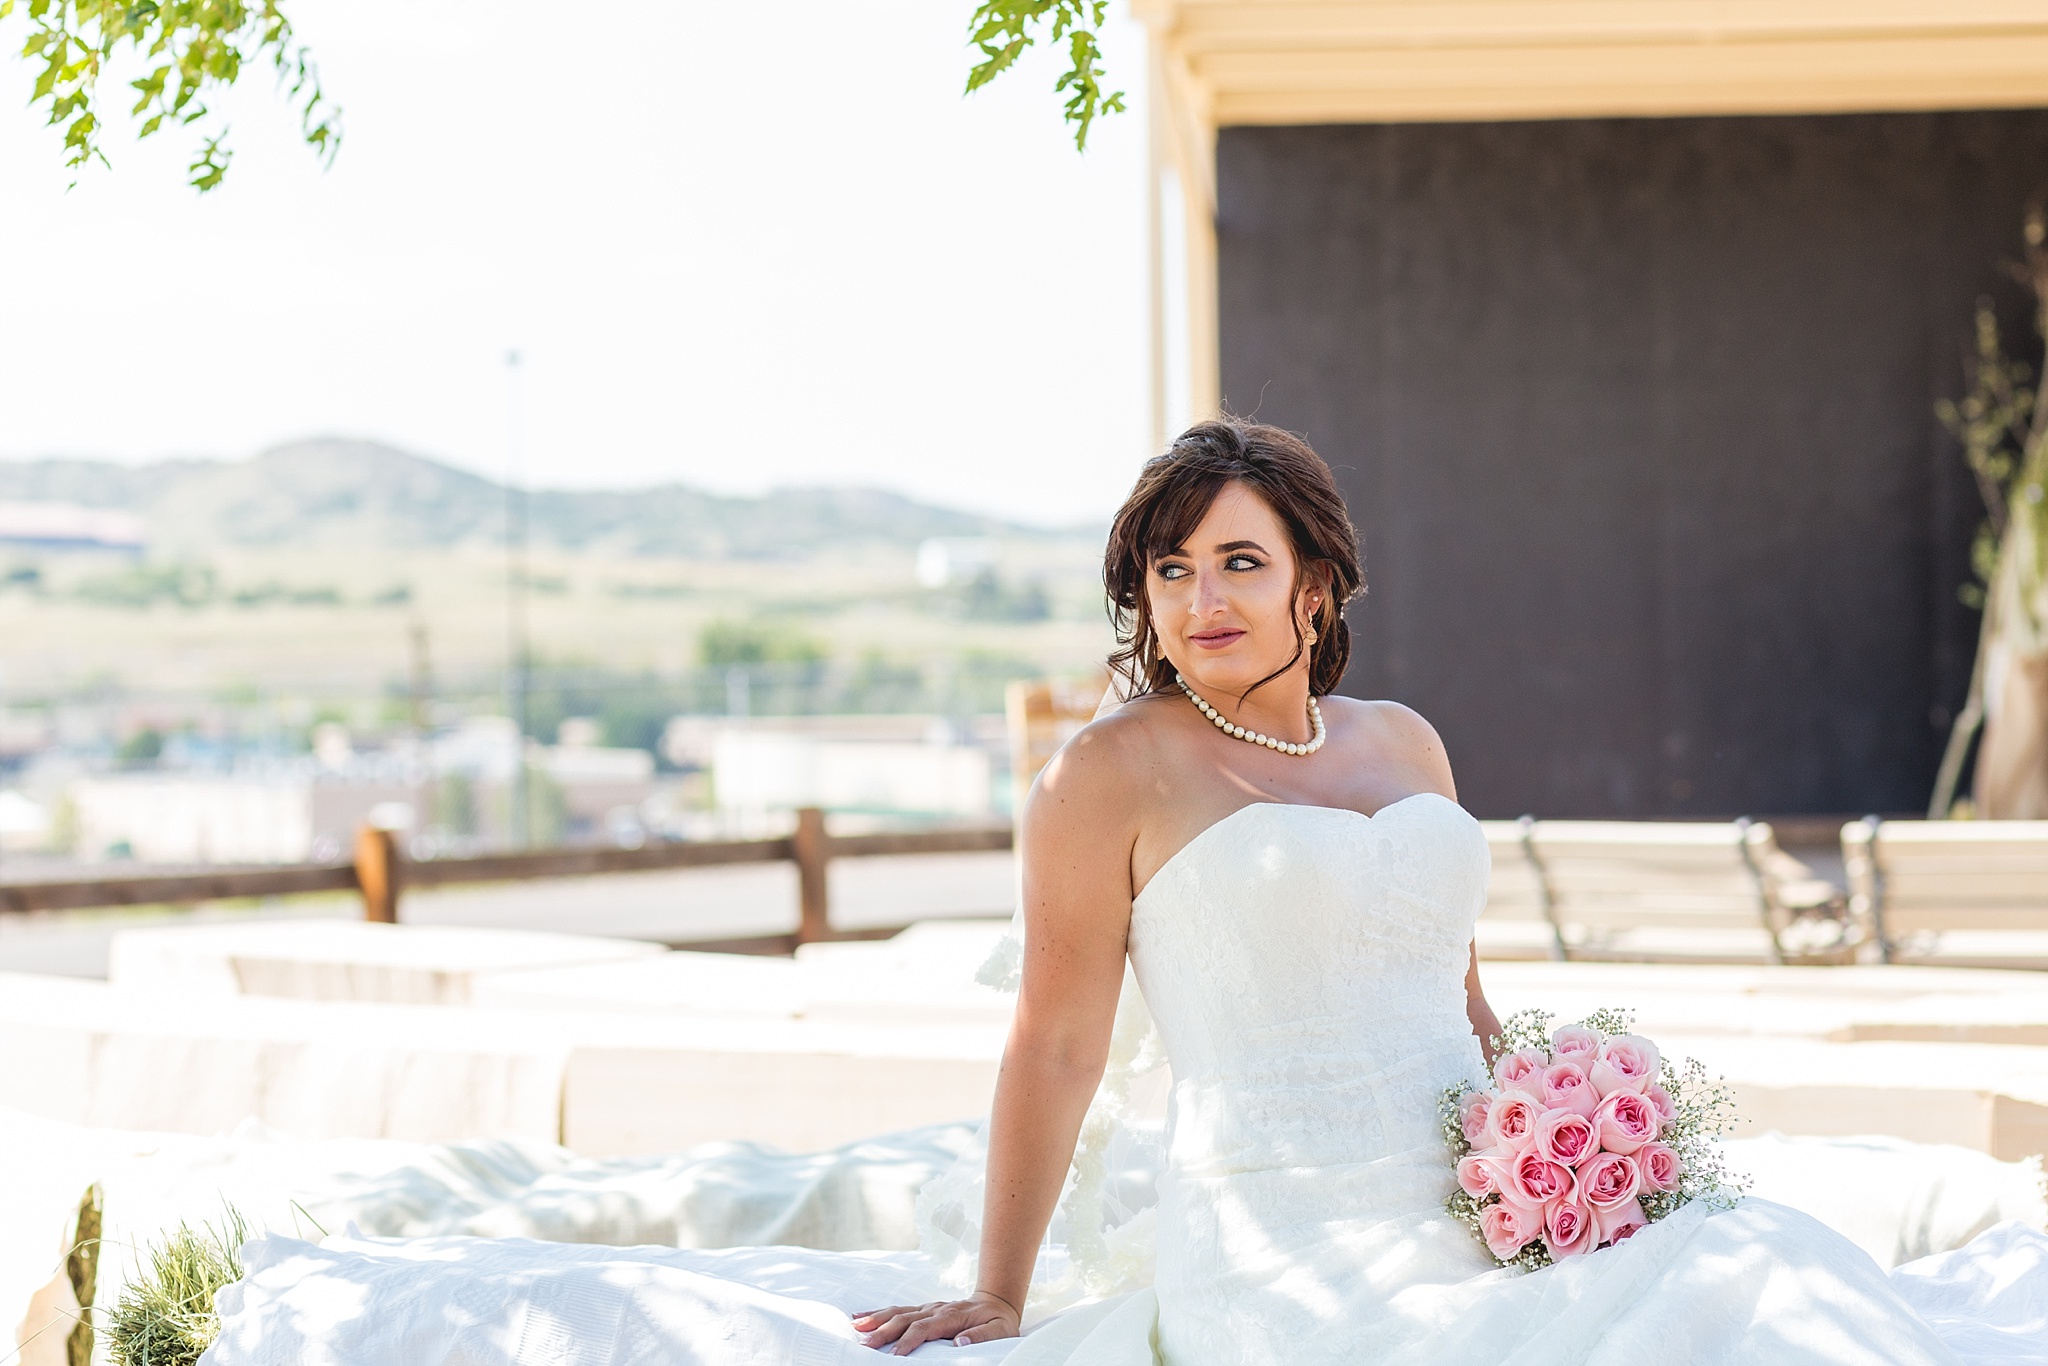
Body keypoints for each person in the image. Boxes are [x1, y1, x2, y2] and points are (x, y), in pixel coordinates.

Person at [203, 420, 2046, 1366]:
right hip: (1287, 1223)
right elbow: (1057, 1035)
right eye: (1170, 572)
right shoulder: (1109, 776)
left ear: (1315, 580)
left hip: (1481, 1189)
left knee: (1741, 1274)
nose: (1201, 599)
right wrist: (999, 1287)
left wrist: (1564, 1135)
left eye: (1238, 561)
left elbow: (1456, 988)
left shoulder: (1408, 740)